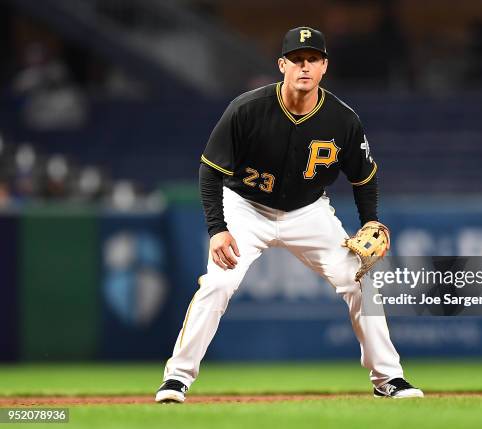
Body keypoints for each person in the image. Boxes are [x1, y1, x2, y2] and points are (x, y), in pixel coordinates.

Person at [155, 26, 423, 402]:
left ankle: (389, 379)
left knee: (360, 281)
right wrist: (218, 228)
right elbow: (210, 171)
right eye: (296, 60)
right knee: (217, 284)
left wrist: (370, 222)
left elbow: (364, 177)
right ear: (282, 65)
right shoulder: (247, 109)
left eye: (312, 59)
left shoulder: (342, 119)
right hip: (245, 208)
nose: (304, 66)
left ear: (324, 66)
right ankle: (177, 378)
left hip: (308, 212)